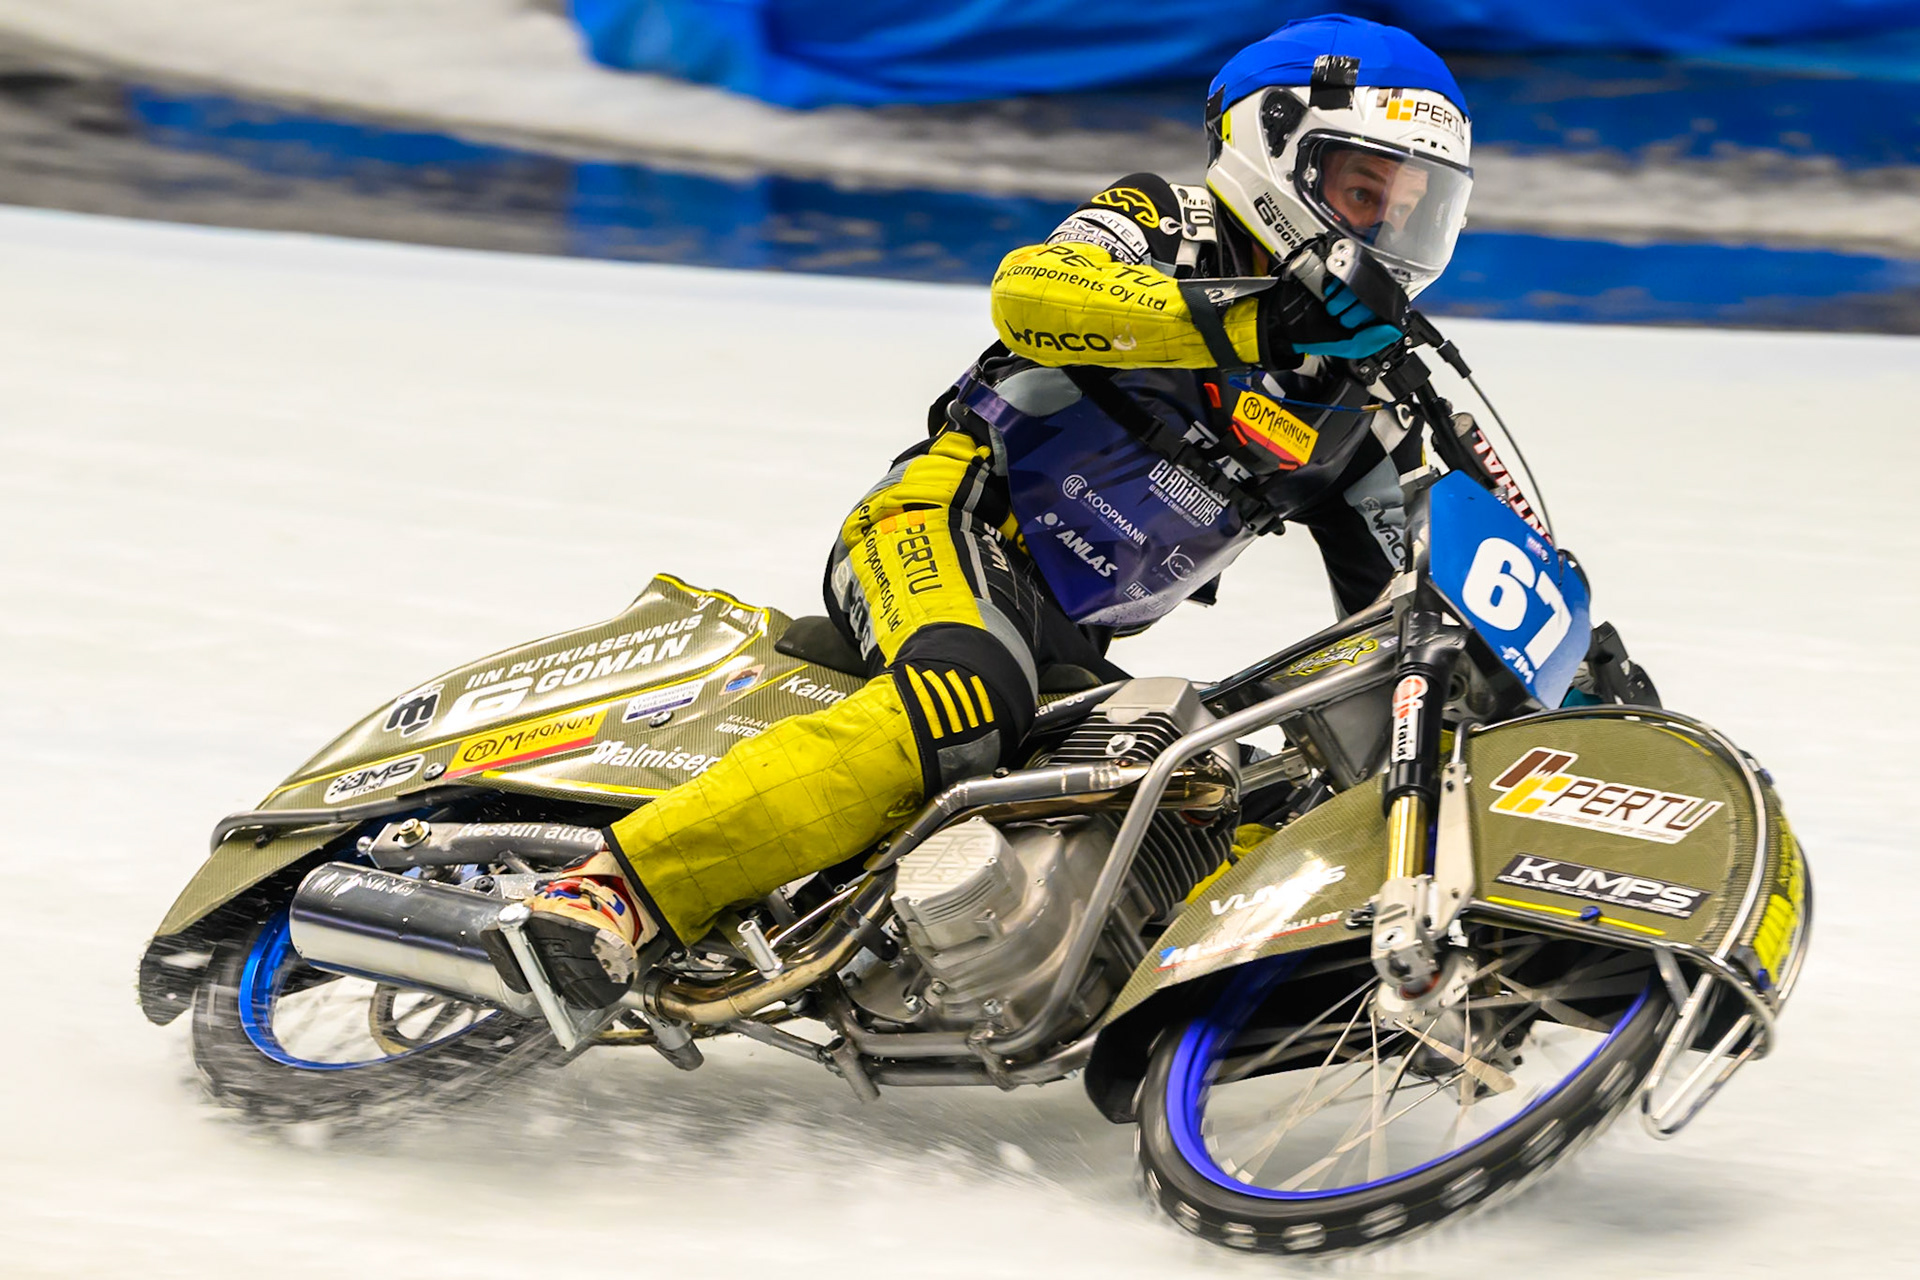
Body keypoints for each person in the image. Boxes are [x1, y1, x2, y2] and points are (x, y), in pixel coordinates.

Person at [494, 14, 1478, 1009]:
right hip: (951, 522)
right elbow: (1032, 296)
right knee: (966, 697)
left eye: (1414, 210)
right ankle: (612, 891)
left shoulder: (1358, 414)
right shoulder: (1168, 222)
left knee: (1204, 790)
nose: (1386, 234)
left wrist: (1548, 680)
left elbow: (1405, 602)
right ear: (1274, 142)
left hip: (1071, 641)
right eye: (1364, 191)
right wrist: (1251, 318)